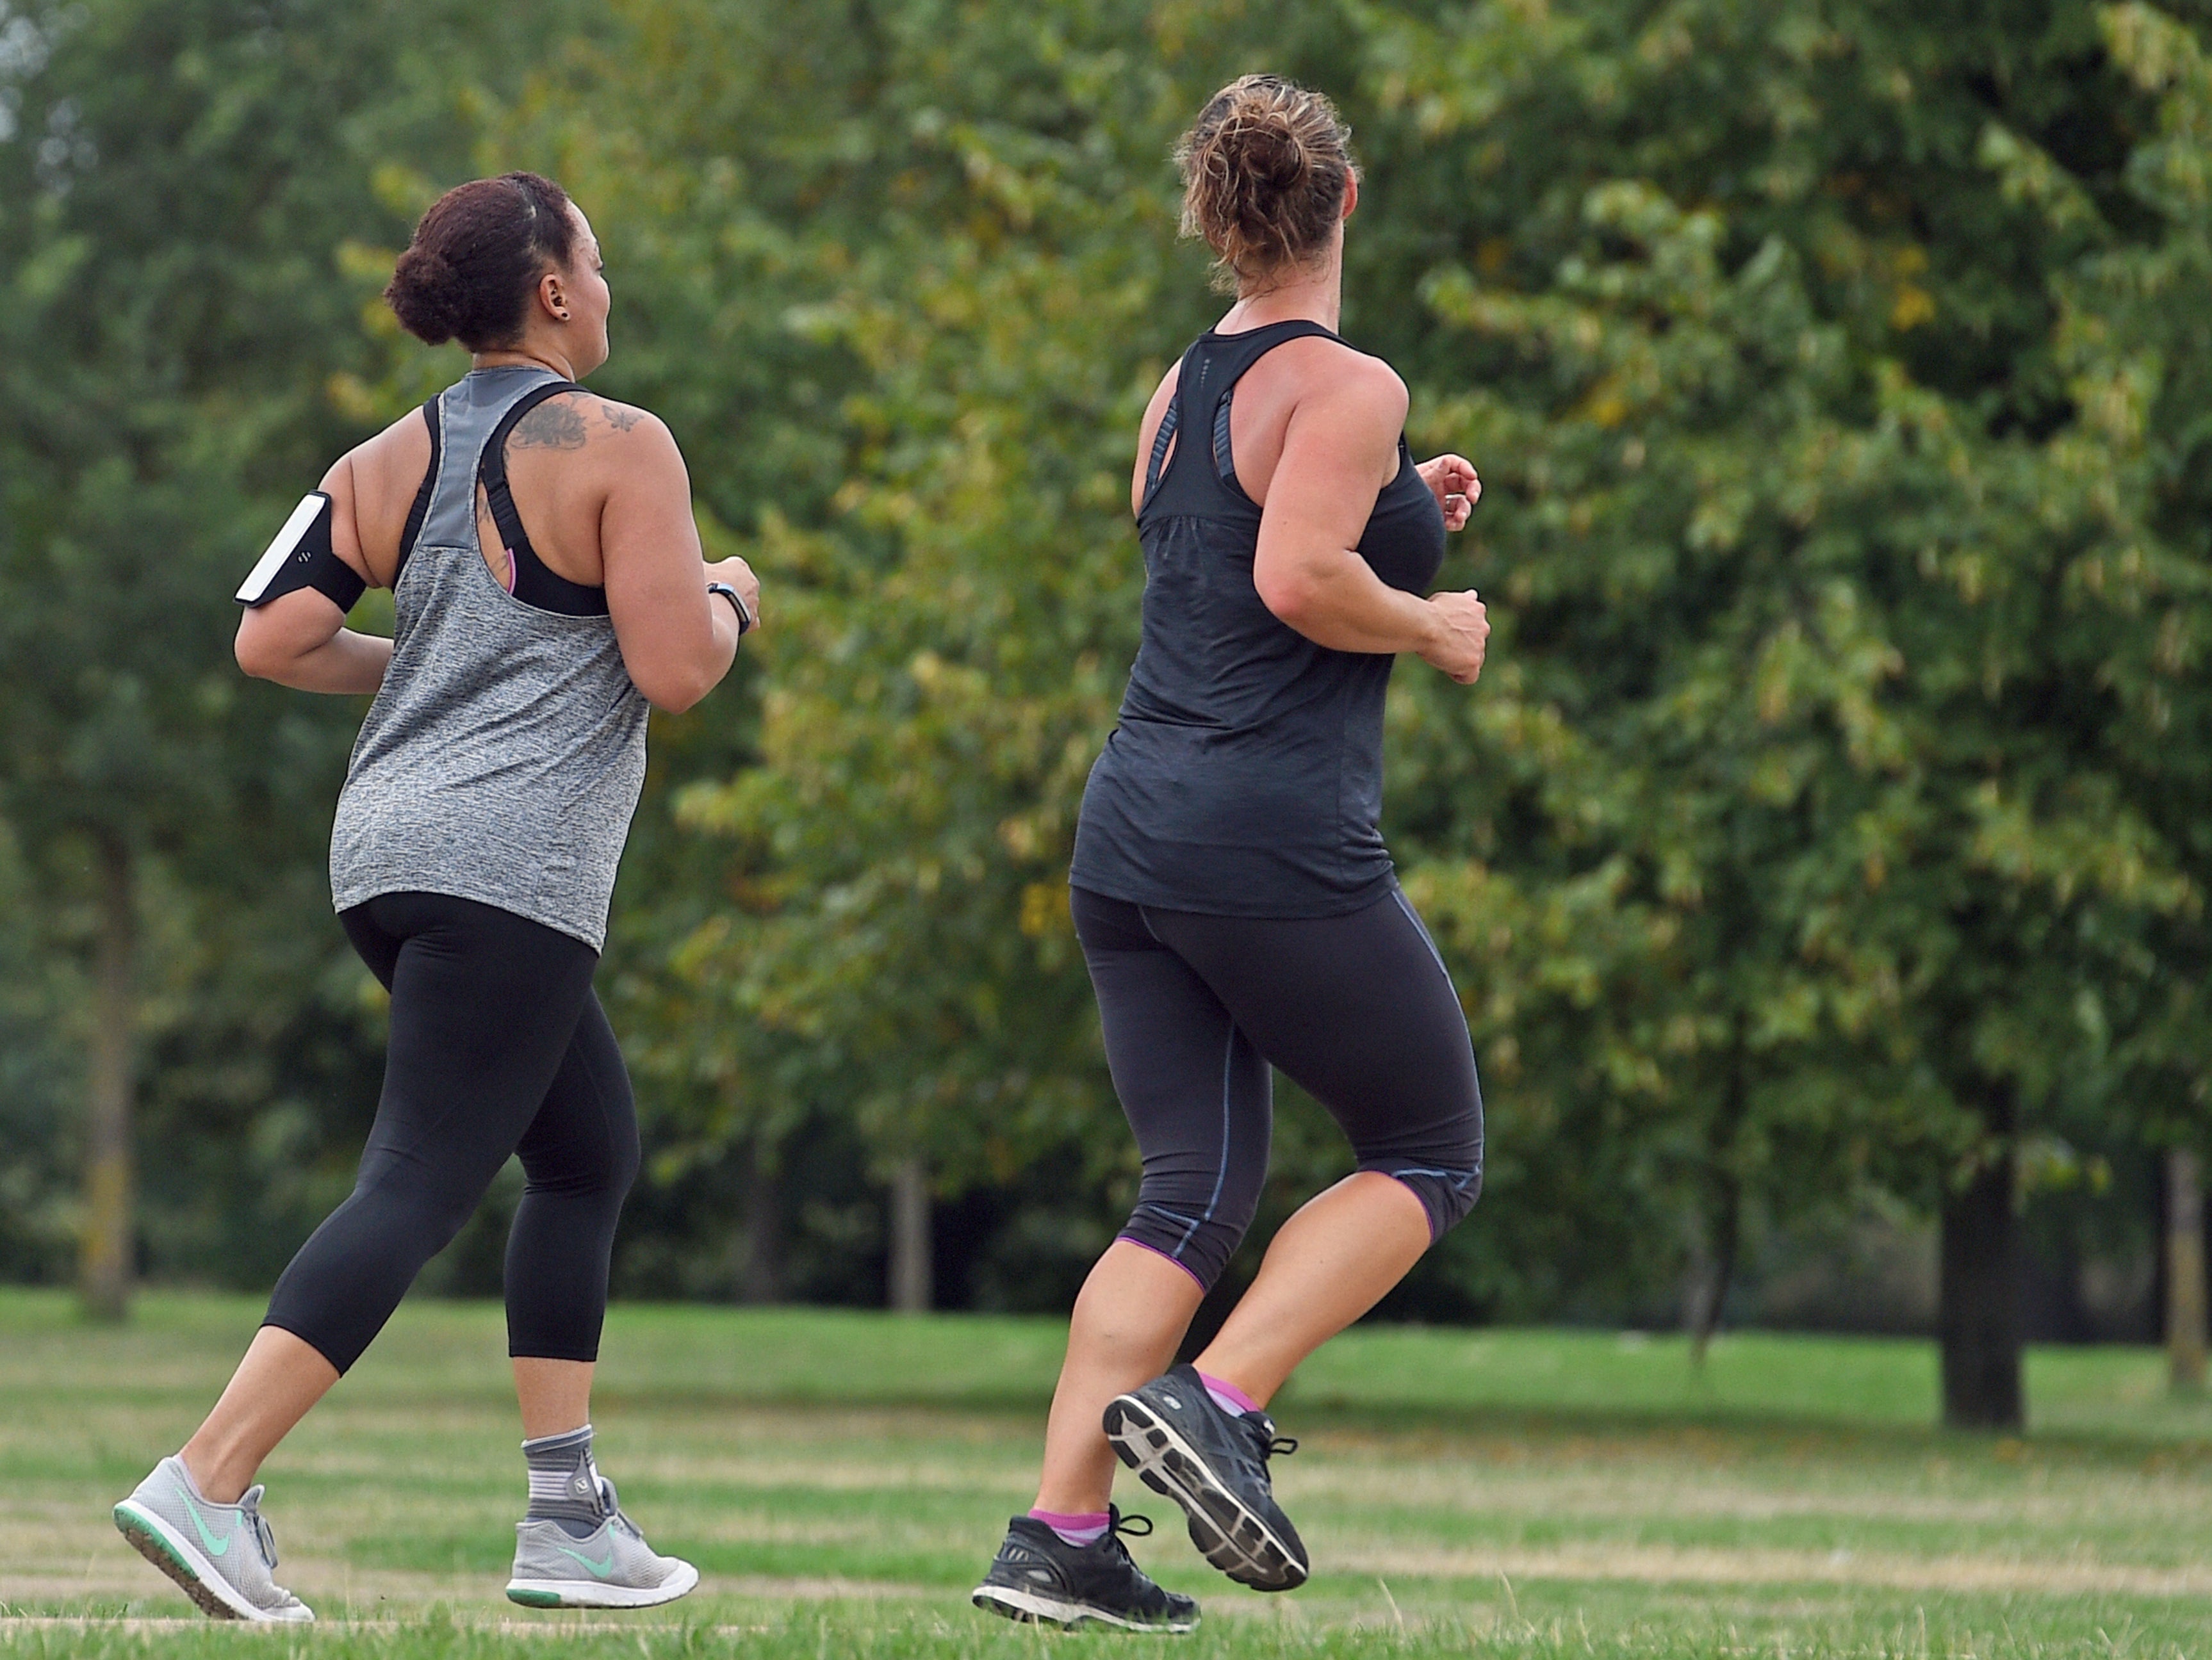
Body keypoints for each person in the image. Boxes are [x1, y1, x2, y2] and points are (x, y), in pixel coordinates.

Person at [111, 171, 759, 1622]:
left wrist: (419, 669)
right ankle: (206, 1480)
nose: (605, 281)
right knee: (416, 1182)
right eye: (595, 255)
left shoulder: (379, 456)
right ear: (550, 288)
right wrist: (726, 590)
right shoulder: (621, 443)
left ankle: (566, 1511)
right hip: (507, 871)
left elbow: (270, 640)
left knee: (588, 1152)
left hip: (385, 857)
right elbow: (677, 670)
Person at [969, 77, 1489, 1632]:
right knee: (1428, 1146)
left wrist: (1414, 500)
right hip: (1264, 838)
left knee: (1189, 1190)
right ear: (1343, 199)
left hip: (1128, 836)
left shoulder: (1180, 386)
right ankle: (1220, 1402)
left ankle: (1061, 1534)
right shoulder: (1348, 381)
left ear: (1215, 220)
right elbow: (1294, 574)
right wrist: (1431, 619)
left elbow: (1236, 535)